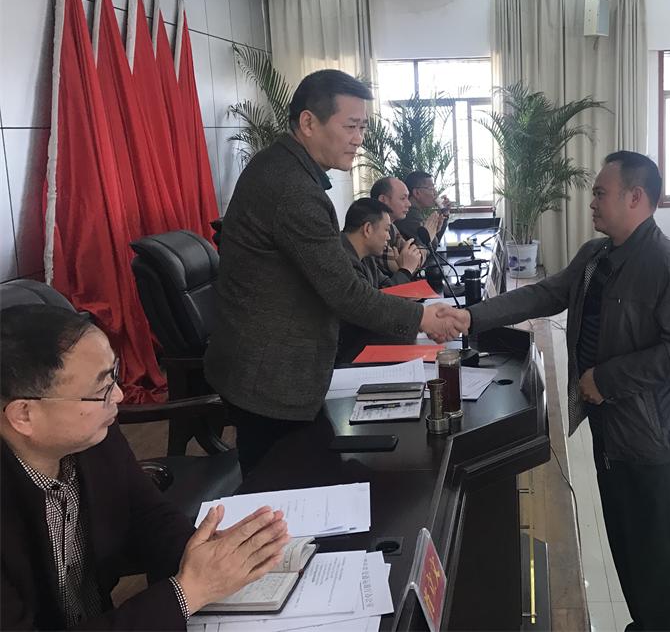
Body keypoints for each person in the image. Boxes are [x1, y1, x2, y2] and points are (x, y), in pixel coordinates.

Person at [460, 151, 670, 632]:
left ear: (635, 197)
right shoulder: (597, 257)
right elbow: (545, 294)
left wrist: (605, 379)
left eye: (600, 193)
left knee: (662, 555)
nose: (591, 202)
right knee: (626, 542)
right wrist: (472, 317)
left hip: (655, 439)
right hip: (612, 428)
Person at [205, 70, 465, 475]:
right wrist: (423, 317)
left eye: (363, 127)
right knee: (284, 488)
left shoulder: (286, 170)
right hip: (270, 377)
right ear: (309, 122)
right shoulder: (292, 189)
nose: (359, 138)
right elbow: (344, 291)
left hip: (276, 369)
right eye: (350, 126)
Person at [1, 305, 290, 630]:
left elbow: (147, 514)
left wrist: (203, 553)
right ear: (23, 415)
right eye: (100, 390)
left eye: (114, 375)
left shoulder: (93, 436)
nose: (119, 395)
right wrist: (188, 592)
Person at [337, 198, 419, 363]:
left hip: (365, 339)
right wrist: (405, 271)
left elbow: (385, 290)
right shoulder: (341, 259)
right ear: (368, 229)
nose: (388, 237)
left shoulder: (366, 256)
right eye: (387, 230)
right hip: (348, 351)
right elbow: (372, 309)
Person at [370, 176, 421, 285]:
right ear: (383, 200)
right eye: (403, 198)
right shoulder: (374, 232)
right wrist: (427, 236)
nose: (409, 204)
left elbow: (414, 260)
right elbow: (408, 267)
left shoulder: (392, 228)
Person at [397, 170, 449, 249]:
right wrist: (433, 231)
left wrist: (444, 212)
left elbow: (433, 242)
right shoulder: (409, 215)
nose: (435, 193)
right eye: (431, 188)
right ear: (417, 193)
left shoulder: (416, 212)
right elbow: (432, 245)